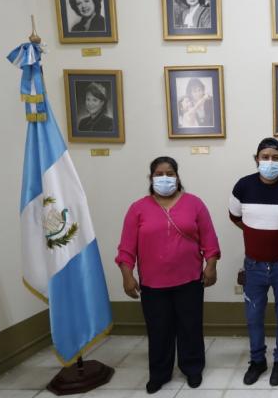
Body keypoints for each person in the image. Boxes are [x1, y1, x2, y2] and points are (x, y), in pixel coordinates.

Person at [116, 156, 220, 394]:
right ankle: (160, 373)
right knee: (158, 329)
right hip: (153, 284)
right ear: (151, 179)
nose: (165, 178)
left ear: (177, 176)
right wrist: (127, 275)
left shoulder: (194, 204)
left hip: (190, 280)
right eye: (159, 174)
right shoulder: (138, 208)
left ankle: (192, 368)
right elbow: (126, 248)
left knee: (190, 326)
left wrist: (211, 265)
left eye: (170, 173)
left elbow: (210, 240)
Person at [228, 138, 278, 387]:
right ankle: (257, 361)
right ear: (256, 159)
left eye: (275, 157)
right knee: (254, 317)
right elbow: (235, 216)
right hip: (253, 266)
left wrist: (275, 233)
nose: (270, 162)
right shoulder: (243, 186)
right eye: (265, 157)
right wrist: (258, 234)